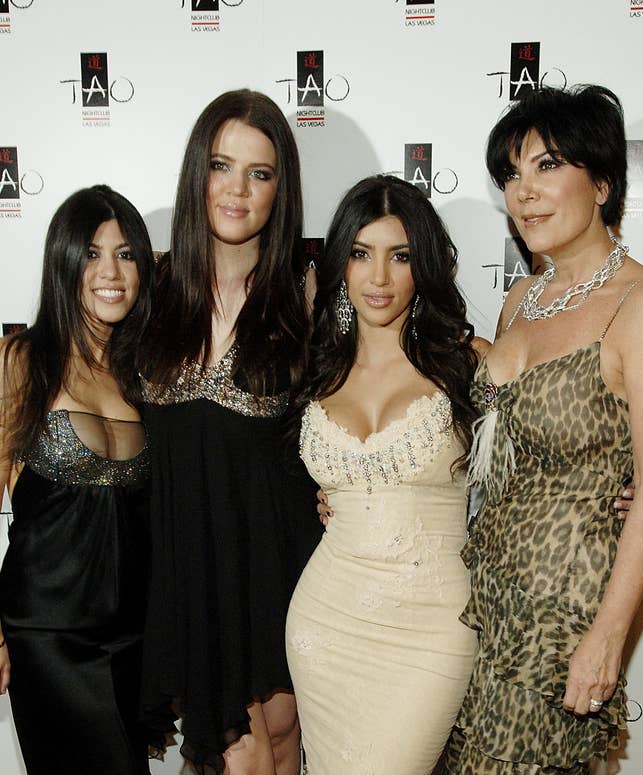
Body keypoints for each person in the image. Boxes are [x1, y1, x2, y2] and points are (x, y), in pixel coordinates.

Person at [445, 85, 643, 773]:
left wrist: (608, 638)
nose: (523, 193)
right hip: (481, 599)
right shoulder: (522, 297)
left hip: (560, 618)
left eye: (548, 165)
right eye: (511, 174)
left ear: (604, 181)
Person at [139, 89, 322, 775]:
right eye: (222, 165)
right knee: (238, 758)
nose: (238, 189)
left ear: (281, 189)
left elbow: (412, 380)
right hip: (191, 566)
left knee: (280, 747)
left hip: (284, 567)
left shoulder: (310, 300)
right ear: (197, 174)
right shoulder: (149, 291)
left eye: (261, 172)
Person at [285, 174, 483, 774]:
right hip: (326, 620)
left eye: (399, 256)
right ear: (340, 263)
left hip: (432, 629)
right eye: (360, 254)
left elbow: (556, 440)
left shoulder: (467, 363)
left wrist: (612, 488)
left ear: (423, 264)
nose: (378, 278)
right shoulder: (315, 367)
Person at [0, 185, 156, 774]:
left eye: (126, 254)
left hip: (130, 637)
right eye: (92, 253)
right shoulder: (21, 361)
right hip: (49, 637)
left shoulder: (144, 375)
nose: (110, 272)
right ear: (64, 261)